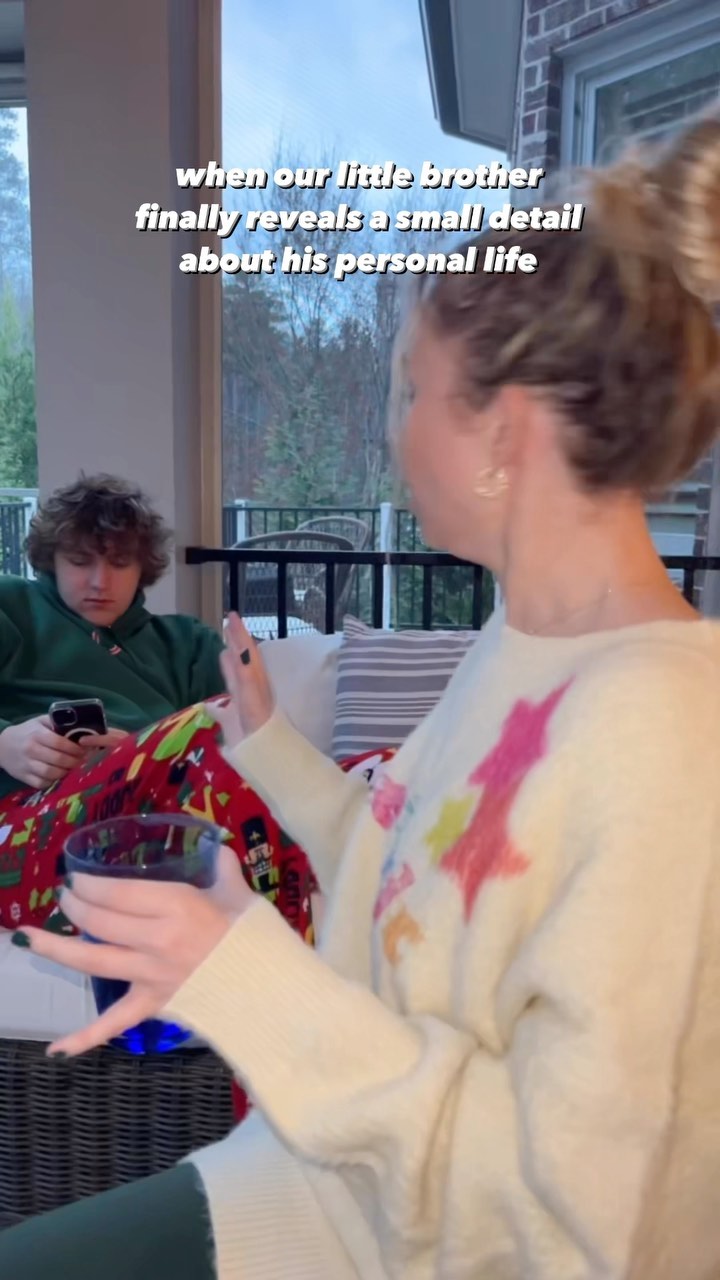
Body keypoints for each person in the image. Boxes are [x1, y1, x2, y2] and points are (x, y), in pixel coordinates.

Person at [4, 110, 720, 1280]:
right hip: (314, 1178)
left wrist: (248, 975)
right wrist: (269, 747)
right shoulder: (519, 641)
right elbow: (412, 874)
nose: (394, 433)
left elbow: (576, 1229)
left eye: (408, 388)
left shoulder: (668, 730)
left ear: (503, 428)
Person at [0, 473, 317, 952]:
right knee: (204, 725)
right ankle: (293, 961)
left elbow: (250, 760)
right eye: (80, 561)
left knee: (384, 772)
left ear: (142, 568)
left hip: (161, 837)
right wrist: (6, 742)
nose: (99, 582)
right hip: (26, 833)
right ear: (50, 560)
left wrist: (135, 760)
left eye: (119, 563)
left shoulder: (187, 643)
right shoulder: (12, 608)